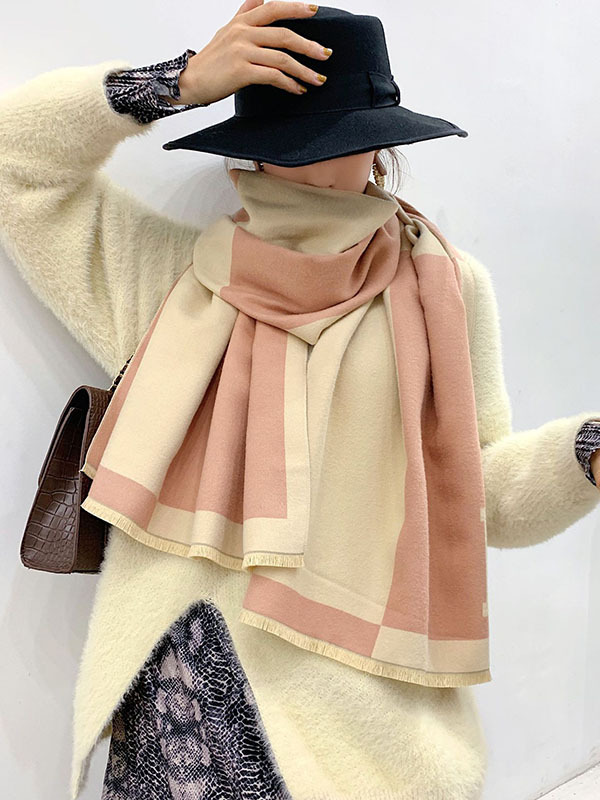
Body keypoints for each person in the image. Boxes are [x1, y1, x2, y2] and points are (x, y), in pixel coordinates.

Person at [2, 3, 600, 799]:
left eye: (340, 141)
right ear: (245, 153)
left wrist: (584, 453)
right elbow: (15, 162)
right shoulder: (173, 279)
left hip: (362, 720)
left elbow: (480, 494)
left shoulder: (447, 293)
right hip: (187, 692)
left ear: (382, 147)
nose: (314, 168)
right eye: (290, 145)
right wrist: (178, 82)